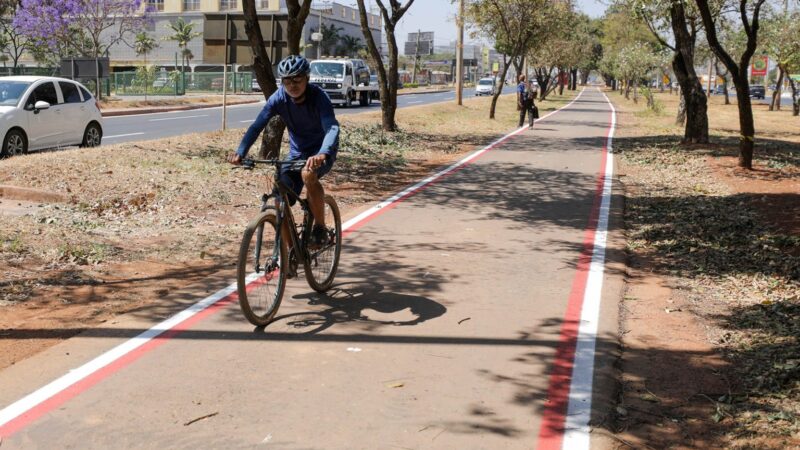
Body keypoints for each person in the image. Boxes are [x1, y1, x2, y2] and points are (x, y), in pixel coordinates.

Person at [228, 54, 339, 249]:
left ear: (307, 78)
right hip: (296, 154)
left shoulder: (319, 97)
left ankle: (320, 227)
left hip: (321, 151)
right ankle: (290, 253)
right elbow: (257, 126)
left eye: (297, 79)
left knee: (308, 173)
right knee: (279, 200)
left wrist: (323, 153)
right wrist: (241, 151)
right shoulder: (278, 98)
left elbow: (331, 127)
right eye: (287, 81)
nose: (292, 85)